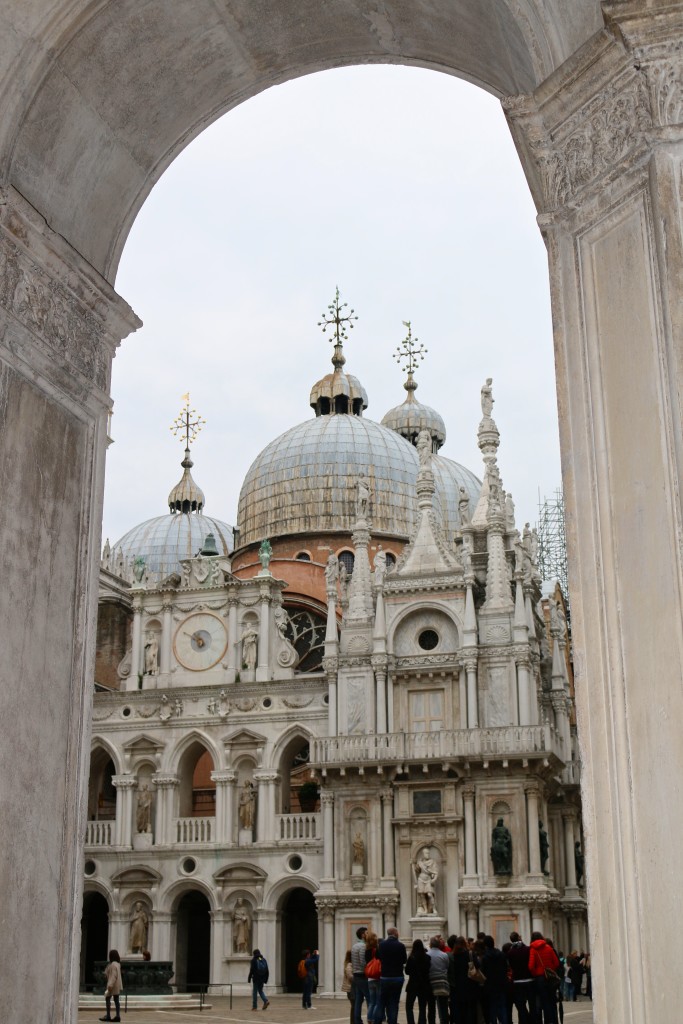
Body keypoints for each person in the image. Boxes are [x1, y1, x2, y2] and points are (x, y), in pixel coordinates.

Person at [528, 931, 561, 1024]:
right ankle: (551, 1021)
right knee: (551, 1000)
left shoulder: (533, 949)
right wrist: (550, 970)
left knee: (543, 1000)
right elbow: (556, 963)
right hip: (549, 978)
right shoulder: (548, 948)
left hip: (539, 979)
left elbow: (531, 966)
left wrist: (536, 973)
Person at [376, 926, 407, 1024]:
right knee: (394, 1002)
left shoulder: (381, 945)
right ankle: (392, 1022)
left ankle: (377, 1021)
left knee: (381, 1002)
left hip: (385, 976)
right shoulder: (401, 945)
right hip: (397, 976)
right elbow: (404, 960)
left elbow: (377, 957)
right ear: (395, 933)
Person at [506, 931, 534, 1024]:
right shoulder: (527, 949)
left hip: (517, 981)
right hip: (529, 979)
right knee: (531, 1003)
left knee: (521, 1005)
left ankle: (523, 1021)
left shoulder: (510, 952)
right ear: (519, 938)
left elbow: (512, 966)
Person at [480, 935, 508, 1024]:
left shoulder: (484, 957)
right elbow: (505, 968)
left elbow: (482, 971)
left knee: (492, 1006)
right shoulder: (501, 954)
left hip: (489, 985)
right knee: (502, 1006)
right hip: (501, 983)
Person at [405, 938, 432, 1024]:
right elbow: (428, 970)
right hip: (424, 985)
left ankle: (411, 1022)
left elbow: (407, 971)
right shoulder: (427, 957)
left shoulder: (411, 958)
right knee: (422, 1007)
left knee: (409, 1007)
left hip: (412, 984)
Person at [426, 936, 450, 1024]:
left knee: (431, 1005)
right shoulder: (444, 955)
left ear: (430, 945)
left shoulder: (427, 954)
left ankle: (431, 1021)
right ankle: (444, 1021)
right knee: (443, 1005)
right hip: (442, 981)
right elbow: (447, 966)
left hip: (430, 981)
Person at [352, 925, 370, 1024]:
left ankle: (357, 1021)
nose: (368, 935)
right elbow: (363, 962)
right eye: (367, 933)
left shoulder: (354, 945)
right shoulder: (363, 946)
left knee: (358, 1000)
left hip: (356, 975)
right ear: (363, 935)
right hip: (362, 975)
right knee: (369, 999)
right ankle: (370, 1019)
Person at [100, 949, 122, 1023]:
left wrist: (110, 985)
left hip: (112, 985)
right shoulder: (117, 964)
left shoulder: (113, 965)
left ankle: (109, 1015)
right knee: (116, 1000)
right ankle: (117, 1015)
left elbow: (113, 976)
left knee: (108, 999)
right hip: (116, 985)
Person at [414, 847, 438, 915]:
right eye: (426, 853)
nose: (427, 854)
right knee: (422, 895)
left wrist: (434, 879)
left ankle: (433, 909)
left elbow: (435, 872)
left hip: (428, 879)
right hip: (421, 879)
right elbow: (417, 871)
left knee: (429, 894)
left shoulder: (432, 862)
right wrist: (416, 866)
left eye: (428, 853)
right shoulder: (420, 862)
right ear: (423, 854)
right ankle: (425, 910)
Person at [364, 928, 381, 1024]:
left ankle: (369, 1019)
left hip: (370, 978)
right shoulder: (377, 950)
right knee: (378, 1001)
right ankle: (374, 1019)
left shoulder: (366, 950)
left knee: (371, 1002)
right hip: (377, 977)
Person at [342, 949, 355, 1024]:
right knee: (354, 1006)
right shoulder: (349, 965)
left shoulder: (348, 964)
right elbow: (350, 976)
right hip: (350, 989)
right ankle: (353, 1022)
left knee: (354, 1006)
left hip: (350, 989)